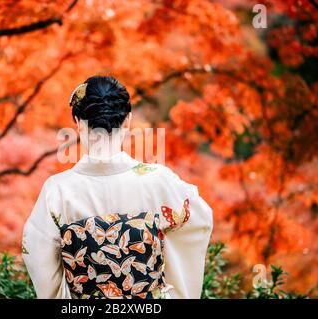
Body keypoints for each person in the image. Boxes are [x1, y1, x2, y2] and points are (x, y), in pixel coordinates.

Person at [22, 75, 213, 299]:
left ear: (77, 122)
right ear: (128, 120)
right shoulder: (160, 181)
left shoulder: (57, 191)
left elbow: (37, 254)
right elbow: (200, 220)